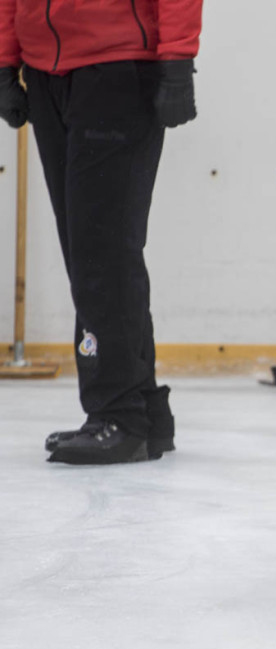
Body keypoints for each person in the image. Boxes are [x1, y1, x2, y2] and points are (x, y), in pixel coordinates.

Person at [0, 0, 203, 464]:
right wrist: (5, 62)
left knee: (102, 253)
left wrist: (177, 59)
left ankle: (119, 418)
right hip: (45, 71)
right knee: (87, 249)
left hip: (117, 67)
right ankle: (145, 413)